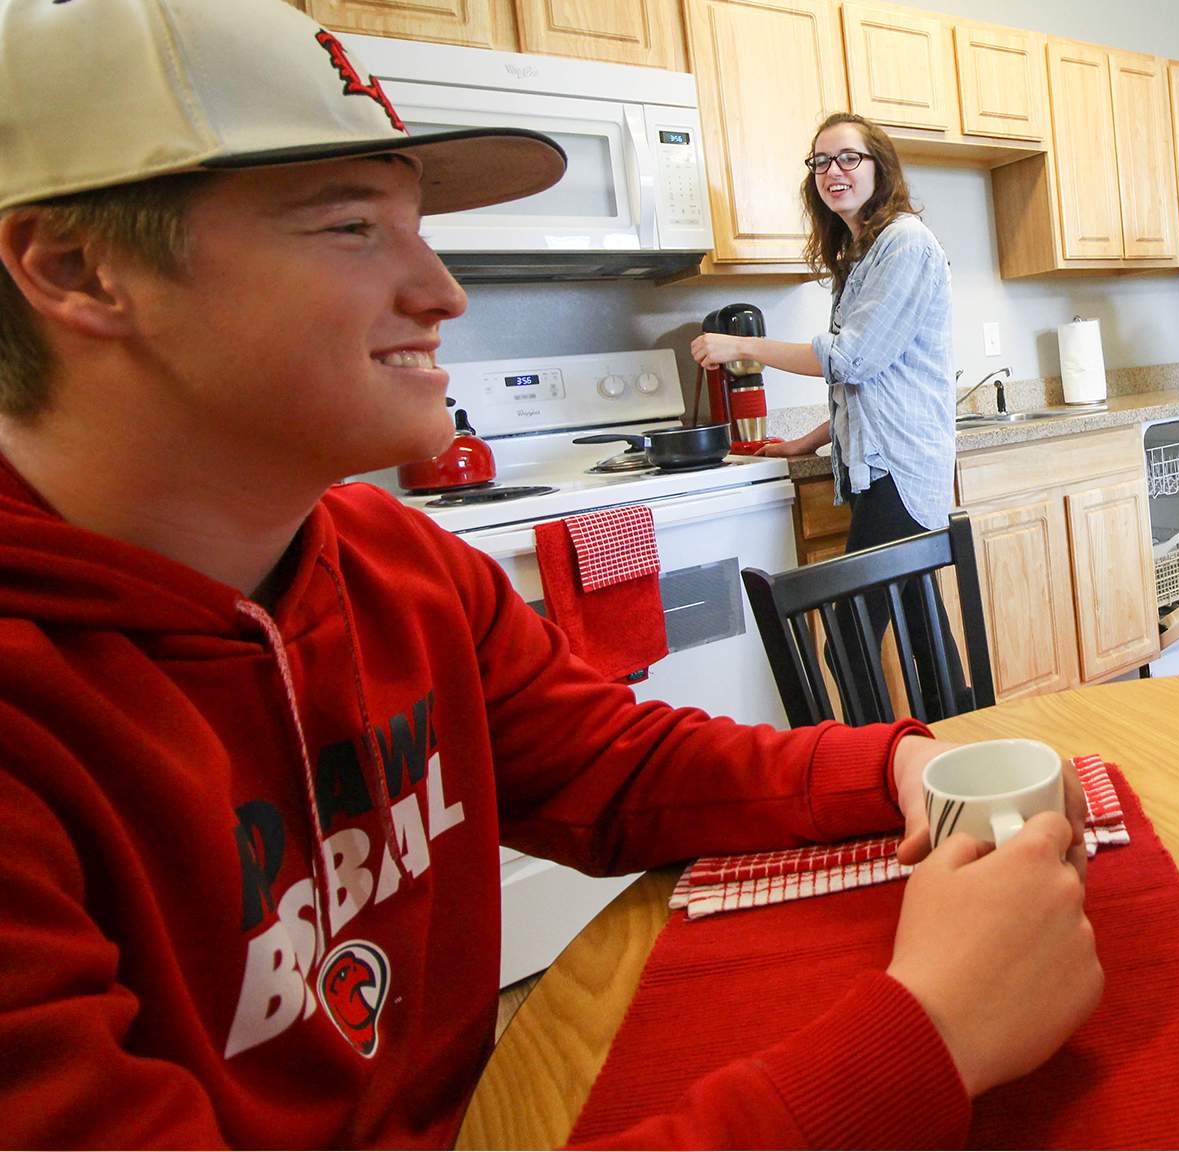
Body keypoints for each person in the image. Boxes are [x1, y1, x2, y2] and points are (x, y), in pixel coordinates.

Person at [0, 2, 1099, 1147]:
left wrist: (897, 765)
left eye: (417, 227)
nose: (443, 291)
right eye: (349, 229)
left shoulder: (407, 570)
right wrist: (919, 1039)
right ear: (78, 271)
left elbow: (623, 773)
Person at [690, 113, 955, 555]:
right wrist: (807, 441)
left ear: (880, 168)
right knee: (919, 620)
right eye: (821, 161)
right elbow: (867, 393)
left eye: (849, 158)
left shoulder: (905, 242)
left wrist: (740, 346)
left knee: (856, 619)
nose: (833, 171)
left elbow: (850, 360)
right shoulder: (859, 255)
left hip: (899, 469)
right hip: (878, 468)